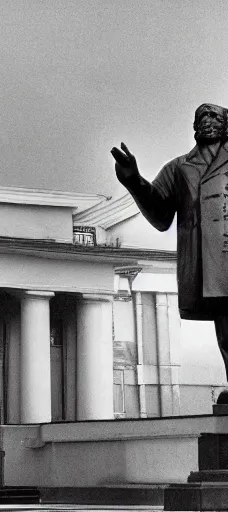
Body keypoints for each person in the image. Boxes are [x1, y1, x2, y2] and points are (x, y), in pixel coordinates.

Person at [111, 103, 228, 401]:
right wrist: (134, 181)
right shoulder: (179, 167)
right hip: (207, 264)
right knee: (226, 331)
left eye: (215, 116)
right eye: (202, 116)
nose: (208, 121)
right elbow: (160, 214)